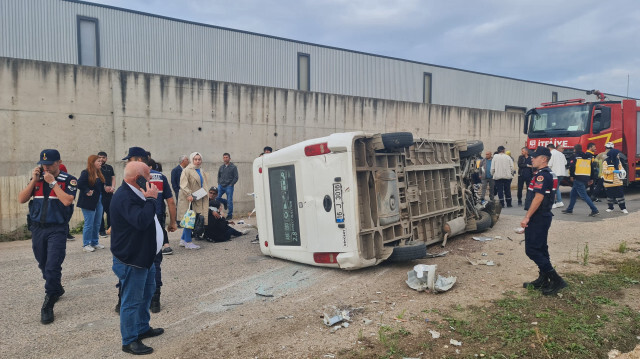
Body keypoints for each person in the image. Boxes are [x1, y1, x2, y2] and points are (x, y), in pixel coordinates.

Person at [111, 161, 165, 355]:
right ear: (138, 179)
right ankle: (129, 340)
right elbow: (142, 221)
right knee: (132, 300)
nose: (151, 180)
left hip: (145, 256)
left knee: (147, 292)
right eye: (148, 176)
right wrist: (151, 199)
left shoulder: (136, 192)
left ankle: (142, 327)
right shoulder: (124, 197)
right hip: (131, 259)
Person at [18, 149, 77, 324]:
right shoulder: (37, 179)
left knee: (52, 265)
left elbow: (67, 201)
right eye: (43, 164)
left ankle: (48, 303)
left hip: (57, 229)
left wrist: (53, 184)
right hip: (37, 228)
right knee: (43, 263)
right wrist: (34, 181)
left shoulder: (69, 180)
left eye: (50, 164)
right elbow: (21, 199)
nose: (46, 167)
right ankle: (56, 287)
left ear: (59, 162)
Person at [520, 146, 567, 296]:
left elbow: (538, 197)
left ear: (544, 159)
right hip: (543, 216)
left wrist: (527, 217)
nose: (532, 158)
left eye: (535, 156)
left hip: (538, 216)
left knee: (532, 250)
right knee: (541, 248)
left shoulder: (542, 175)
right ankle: (544, 278)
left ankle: (556, 280)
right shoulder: (546, 174)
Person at [178, 152, 210, 249]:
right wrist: (188, 194)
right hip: (190, 198)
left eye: (199, 159)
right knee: (190, 219)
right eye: (195, 159)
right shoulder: (187, 170)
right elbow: (183, 184)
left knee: (191, 218)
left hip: (198, 197)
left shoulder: (201, 170)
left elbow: (204, 184)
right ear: (192, 160)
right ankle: (188, 241)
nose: (197, 161)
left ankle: (183, 239)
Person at [76, 155, 106, 252]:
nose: (100, 163)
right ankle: (86, 244)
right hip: (88, 201)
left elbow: (100, 187)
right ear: (92, 162)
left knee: (97, 223)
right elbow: (79, 183)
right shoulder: (86, 173)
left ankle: (94, 242)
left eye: (101, 161)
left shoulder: (99, 173)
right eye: (98, 161)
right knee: (89, 223)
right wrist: (87, 190)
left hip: (98, 200)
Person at [562, 144, 599, 217]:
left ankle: (594, 210)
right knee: (573, 193)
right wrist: (591, 178)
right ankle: (569, 209)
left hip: (578, 177)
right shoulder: (588, 157)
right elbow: (591, 168)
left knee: (584, 195)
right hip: (586, 177)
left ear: (575, 150)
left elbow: (572, 167)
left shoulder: (575, 156)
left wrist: (571, 176)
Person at [602, 143, 628, 214]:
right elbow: (604, 171)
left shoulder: (618, 161)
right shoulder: (606, 161)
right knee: (610, 196)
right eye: (617, 154)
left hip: (618, 182)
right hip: (609, 182)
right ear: (613, 154)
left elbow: (621, 168)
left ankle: (623, 208)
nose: (618, 155)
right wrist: (613, 171)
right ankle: (610, 207)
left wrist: (622, 171)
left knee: (620, 196)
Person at [98, 151, 116, 237]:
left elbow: (113, 178)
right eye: (100, 157)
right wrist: (104, 187)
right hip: (101, 192)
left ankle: (110, 228)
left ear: (106, 158)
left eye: (103, 157)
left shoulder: (109, 167)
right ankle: (101, 230)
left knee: (110, 211)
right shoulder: (96, 167)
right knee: (100, 212)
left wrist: (112, 187)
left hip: (110, 193)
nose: (101, 159)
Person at [217, 152, 239, 219]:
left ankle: (229, 215)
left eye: (226, 157)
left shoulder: (233, 167)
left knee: (229, 201)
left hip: (229, 187)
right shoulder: (221, 167)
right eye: (224, 157)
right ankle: (224, 202)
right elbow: (219, 176)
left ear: (229, 158)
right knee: (216, 198)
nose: (225, 159)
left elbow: (236, 177)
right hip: (221, 186)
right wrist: (219, 183)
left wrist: (231, 184)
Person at [58, 162, 75, 241]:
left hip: (63, 196)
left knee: (64, 219)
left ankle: (66, 233)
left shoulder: (62, 167)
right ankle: (65, 233)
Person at [547, 144, 567, 208]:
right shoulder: (561, 154)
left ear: (549, 148)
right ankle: (559, 201)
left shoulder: (551, 153)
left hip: (554, 173)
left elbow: (550, 164)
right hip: (562, 173)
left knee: (553, 188)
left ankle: (553, 203)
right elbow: (565, 163)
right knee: (556, 188)